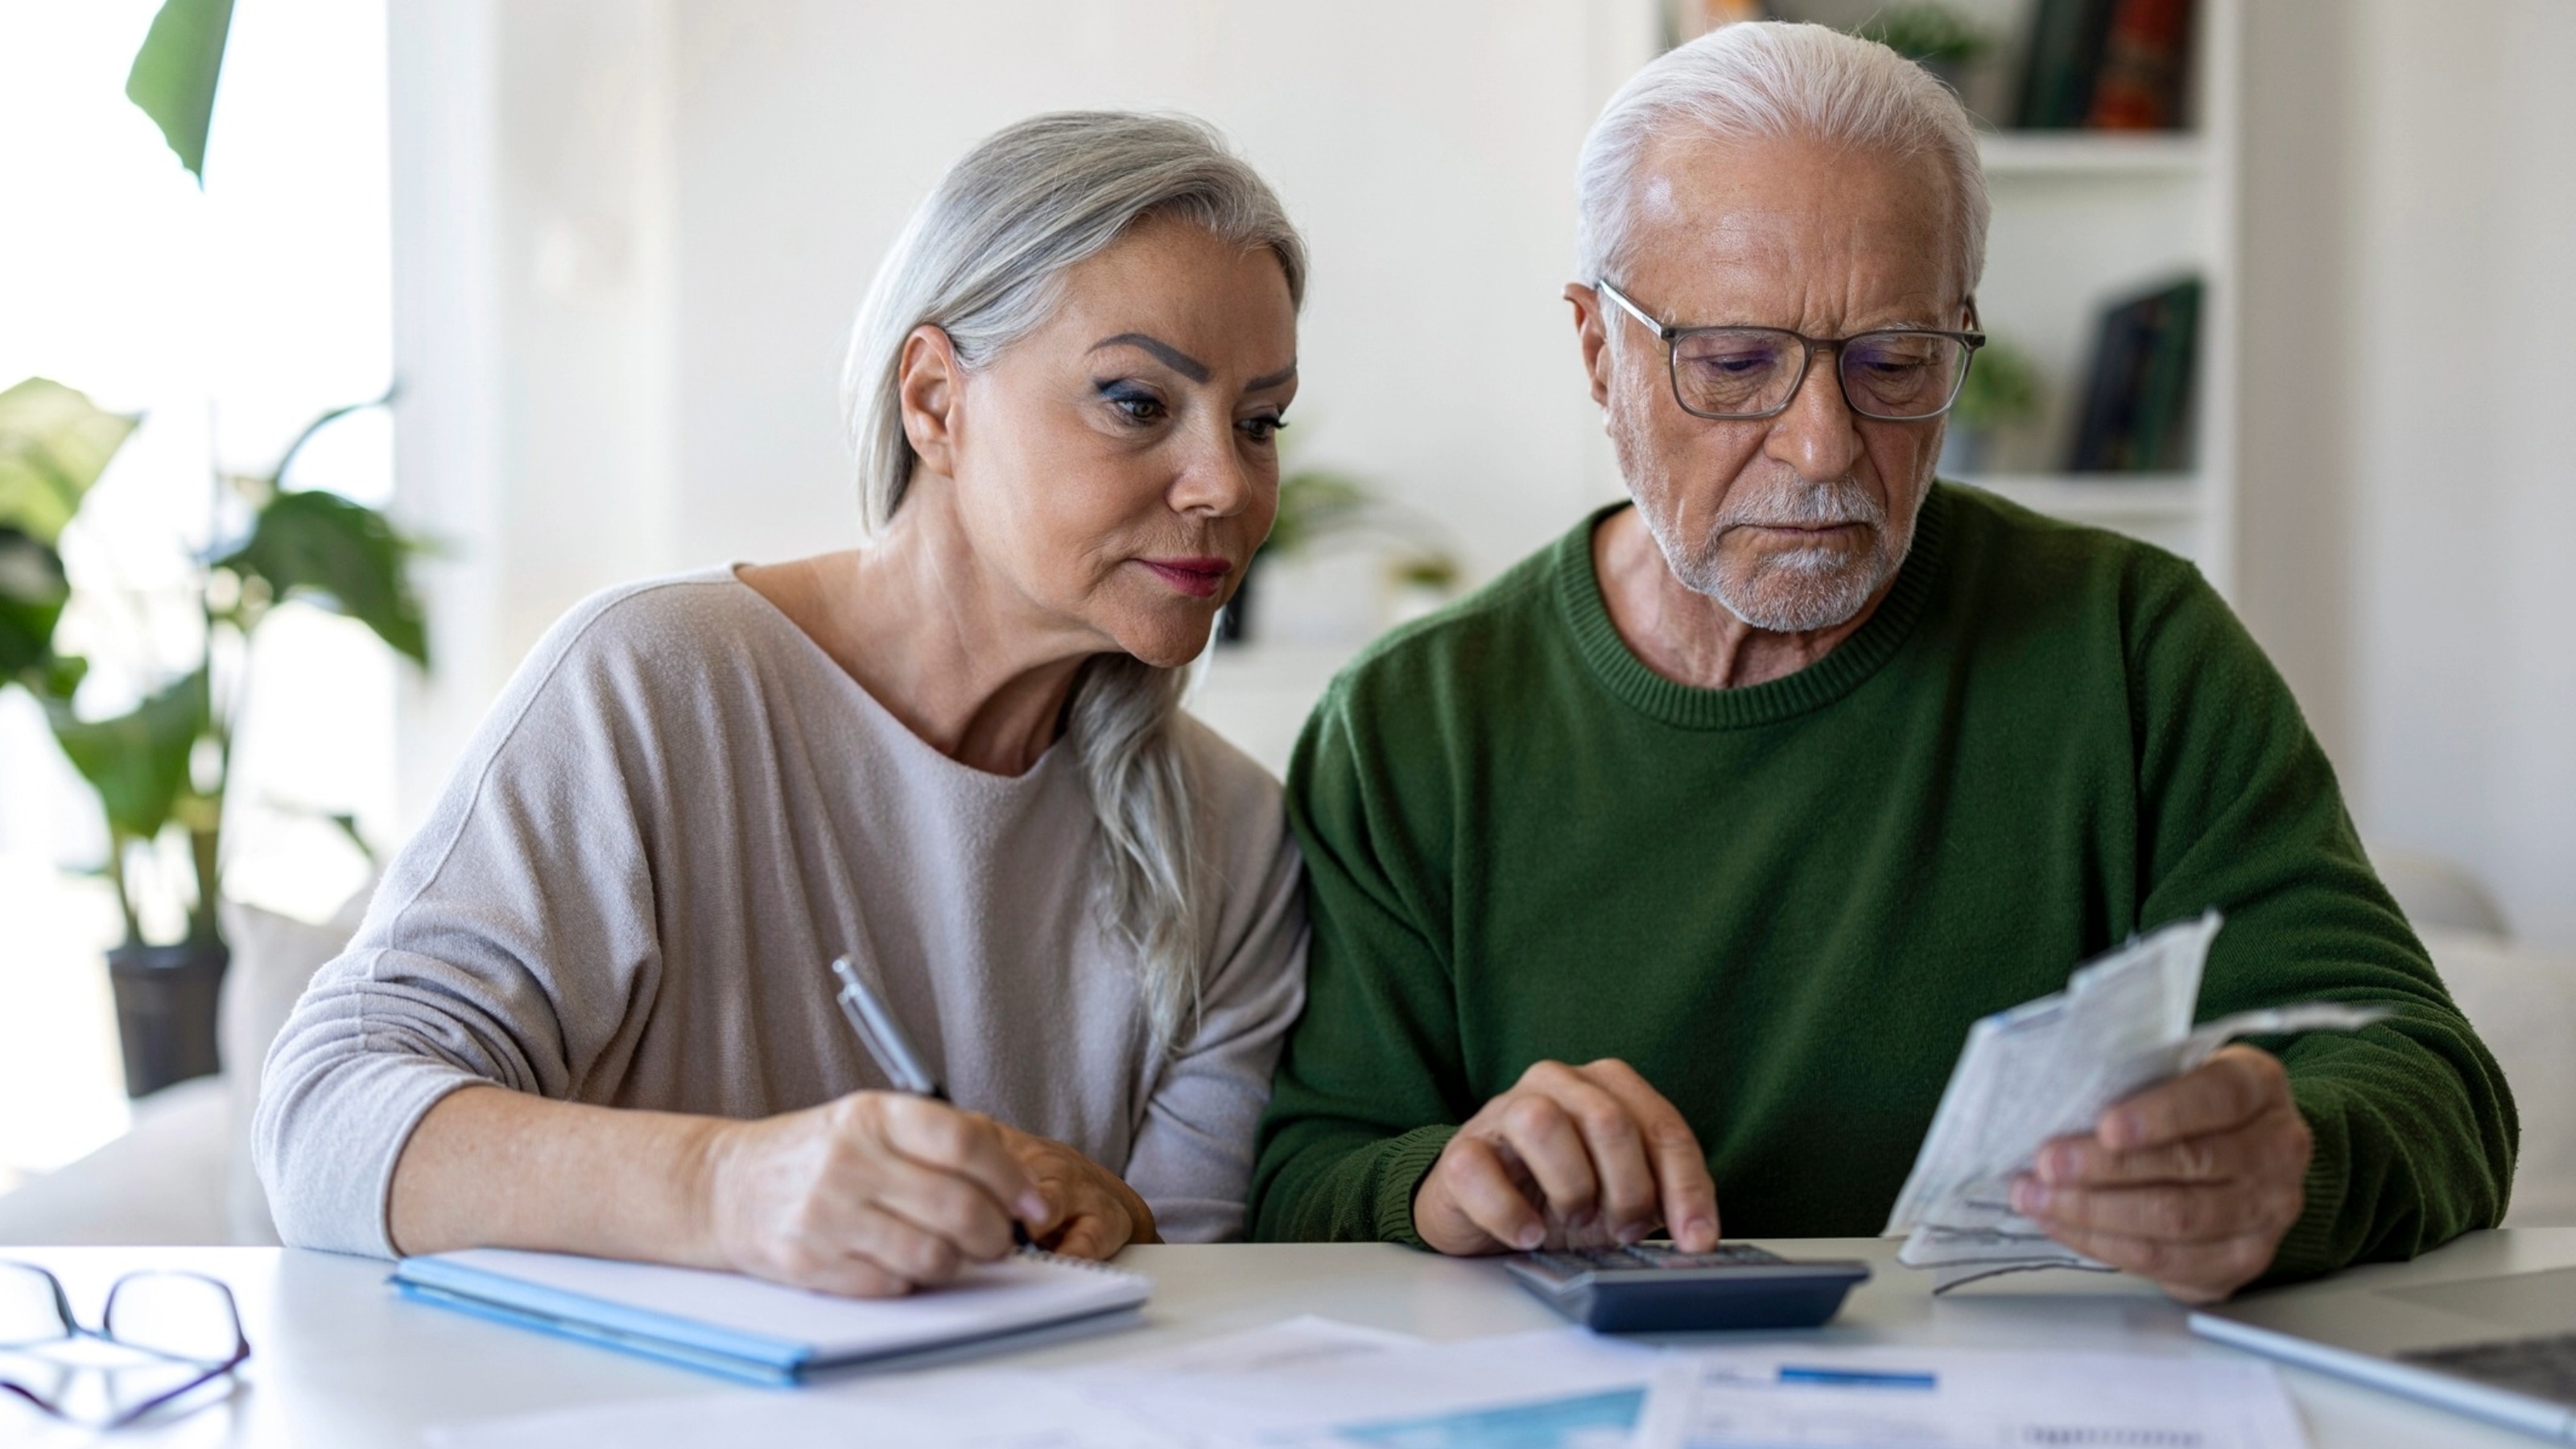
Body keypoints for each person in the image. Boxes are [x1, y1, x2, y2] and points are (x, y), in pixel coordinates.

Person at [1249, 23, 2514, 1303]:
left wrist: (2290, 1159)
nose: (1821, 445)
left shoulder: (2133, 648)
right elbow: (1304, 1175)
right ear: (1598, 351)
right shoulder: (1417, 720)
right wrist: (1443, 1182)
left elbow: (2430, 1078)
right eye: (1735, 364)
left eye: (1893, 362)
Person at [258, 112, 1311, 1297]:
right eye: (1135, 400)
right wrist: (729, 1186)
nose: (1226, 482)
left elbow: (1188, 1306)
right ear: (933, 401)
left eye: (1260, 421)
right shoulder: (651, 685)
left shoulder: (1237, 839)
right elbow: (327, 1122)